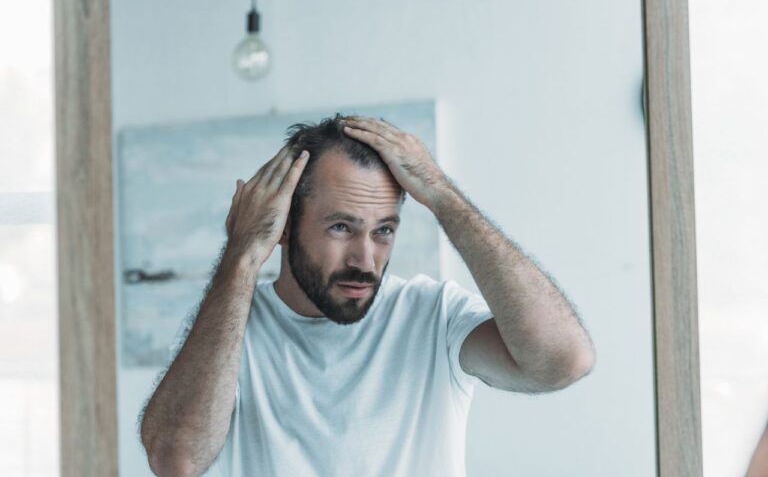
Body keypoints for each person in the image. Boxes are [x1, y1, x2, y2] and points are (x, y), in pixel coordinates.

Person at [138, 113, 596, 476]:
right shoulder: (232, 327)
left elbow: (563, 361)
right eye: (341, 227)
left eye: (384, 231)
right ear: (283, 227)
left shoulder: (431, 315)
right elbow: (175, 460)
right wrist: (240, 255)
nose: (365, 258)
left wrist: (441, 195)